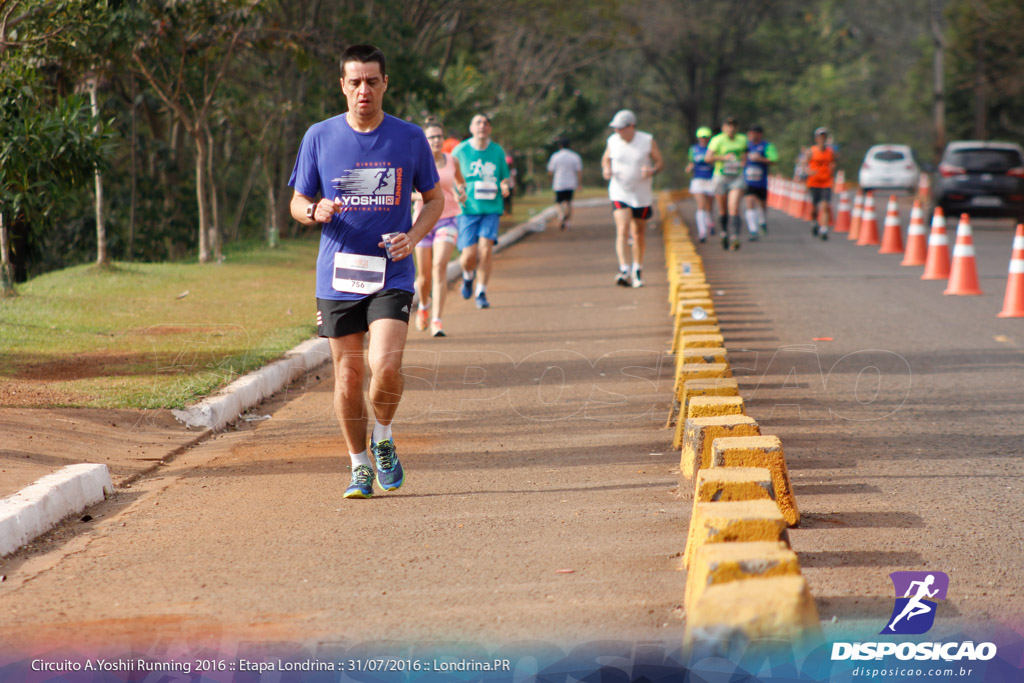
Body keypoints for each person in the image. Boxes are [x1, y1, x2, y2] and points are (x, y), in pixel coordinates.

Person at [288, 44, 444, 499]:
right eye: (354, 82)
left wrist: (412, 238)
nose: (363, 90)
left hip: (390, 271)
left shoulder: (409, 137)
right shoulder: (319, 136)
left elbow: (434, 200)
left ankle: (383, 437)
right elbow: (297, 202)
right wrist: (315, 209)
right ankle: (358, 466)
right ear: (342, 85)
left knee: (386, 365)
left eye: (372, 81)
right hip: (337, 274)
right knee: (349, 376)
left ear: (384, 84)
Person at [452, 114, 511, 310]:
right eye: (478, 122)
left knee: (486, 251)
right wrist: (457, 189)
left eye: (486, 123)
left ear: (490, 129)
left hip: (492, 208)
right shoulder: (460, 151)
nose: (482, 126)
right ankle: (468, 276)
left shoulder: (497, 151)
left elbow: (505, 177)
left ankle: (481, 292)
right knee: (469, 255)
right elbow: (449, 177)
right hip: (467, 209)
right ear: (471, 128)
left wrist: (505, 186)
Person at [412, 121, 466, 338]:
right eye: (431, 137)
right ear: (424, 141)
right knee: (424, 277)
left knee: (439, 267)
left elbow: (460, 183)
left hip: (448, 219)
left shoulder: (452, 161)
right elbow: (405, 192)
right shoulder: (416, 162)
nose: (436, 140)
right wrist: (428, 198)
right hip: (423, 221)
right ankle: (424, 305)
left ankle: (437, 319)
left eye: (439, 136)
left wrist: (462, 192)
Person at [601, 109, 664, 287]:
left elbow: (659, 161)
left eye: (621, 128)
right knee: (622, 229)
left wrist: (653, 170)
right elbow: (605, 159)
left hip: (641, 194)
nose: (617, 132)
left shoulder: (646, 140)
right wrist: (606, 169)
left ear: (631, 127)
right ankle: (624, 269)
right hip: (619, 191)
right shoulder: (612, 141)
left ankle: (637, 268)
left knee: (638, 233)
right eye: (615, 128)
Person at [706, 116, 748, 251]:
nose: (731, 128)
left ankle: (734, 237)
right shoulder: (717, 140)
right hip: (721, 177)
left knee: (734, 207)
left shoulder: (742, 139)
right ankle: (724, 232)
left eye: (734, 125)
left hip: (736, 177)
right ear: (724, 127)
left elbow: (745, 155)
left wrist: (742, 162)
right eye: (729, 125)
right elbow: (708, 158)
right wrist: (723, 158)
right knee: (723, 209)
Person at [743, 124, 778, 240]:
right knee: (749, 202)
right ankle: (753, 231)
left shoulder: (767, 146)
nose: (751, 135)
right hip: (748, 181)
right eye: (750, 132)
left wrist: (760, 159)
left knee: (761, 205)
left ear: (760, 134)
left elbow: (774, 160)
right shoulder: (745, 146)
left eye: (754, 133)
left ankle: (762, 221)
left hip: (761, 181)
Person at [806, 126, 837, 240]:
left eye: (824, 137)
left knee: (825, 206)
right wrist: (808, 171)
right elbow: (803, 165)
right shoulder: (811, 151)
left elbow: (833, 163)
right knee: (814, 209)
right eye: (820, 137)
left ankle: (823, 230)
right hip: (814, 183)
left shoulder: (830, 152)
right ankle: (814, 223)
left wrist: (832, 170)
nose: (822, 139)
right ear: (816, 138)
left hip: (826, 182)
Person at [686, 127, 716, 243]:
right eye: (701, 137)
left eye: (706, 137)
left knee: (709, 205)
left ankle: (710, 221)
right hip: (698, 179)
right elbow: (691, 162)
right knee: (701, 204)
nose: (703, 139)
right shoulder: (694, 149)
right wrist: (689, 167)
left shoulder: (713, 149)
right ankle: (702, 232)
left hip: (711, 179)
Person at [547, 138, 583, 230]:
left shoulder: (555, 156)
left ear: (560, 146)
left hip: (559, 183)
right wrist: (579, 184)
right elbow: (579, 171)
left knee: (558, 202)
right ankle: (567, 221)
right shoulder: (575, 156)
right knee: (569, 202)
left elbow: (550, 171)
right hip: (571, 183)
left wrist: (550, 181)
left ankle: (561, 215)